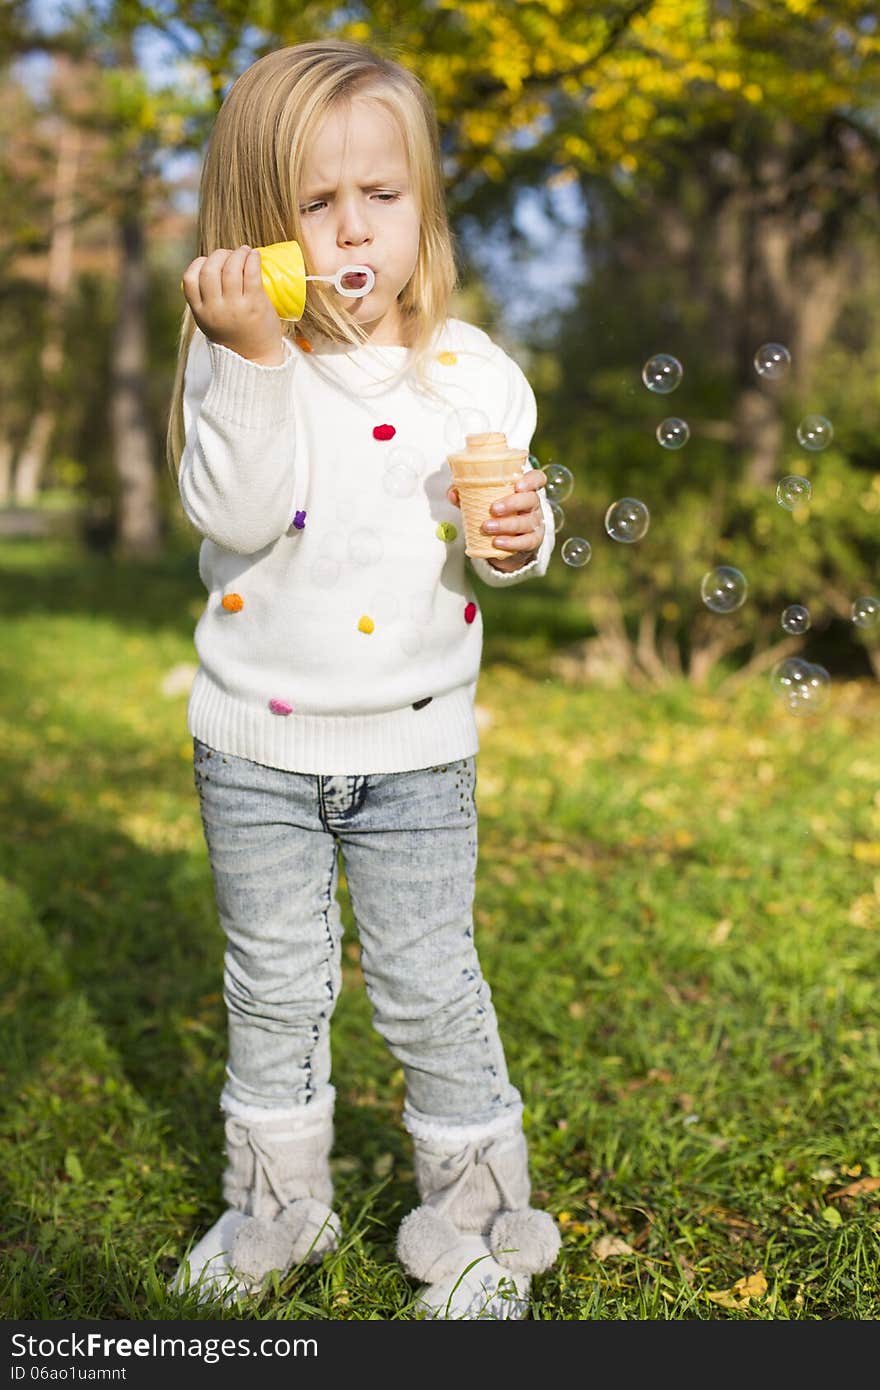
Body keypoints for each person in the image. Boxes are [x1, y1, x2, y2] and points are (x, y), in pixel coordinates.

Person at [165, 37, 560, 1320]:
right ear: (255, 221)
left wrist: (518, 536)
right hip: (256, 750)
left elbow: (504, 521)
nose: (350, 227)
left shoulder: (469, 369)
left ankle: (479, 1222)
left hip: (416, 753)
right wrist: (254, 357)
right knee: (272, 985)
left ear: (421, 203)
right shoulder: (234, 357)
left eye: (377, 195)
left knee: (428, 980)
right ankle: (278, 1207)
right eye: (313, 200)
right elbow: (236, 506)